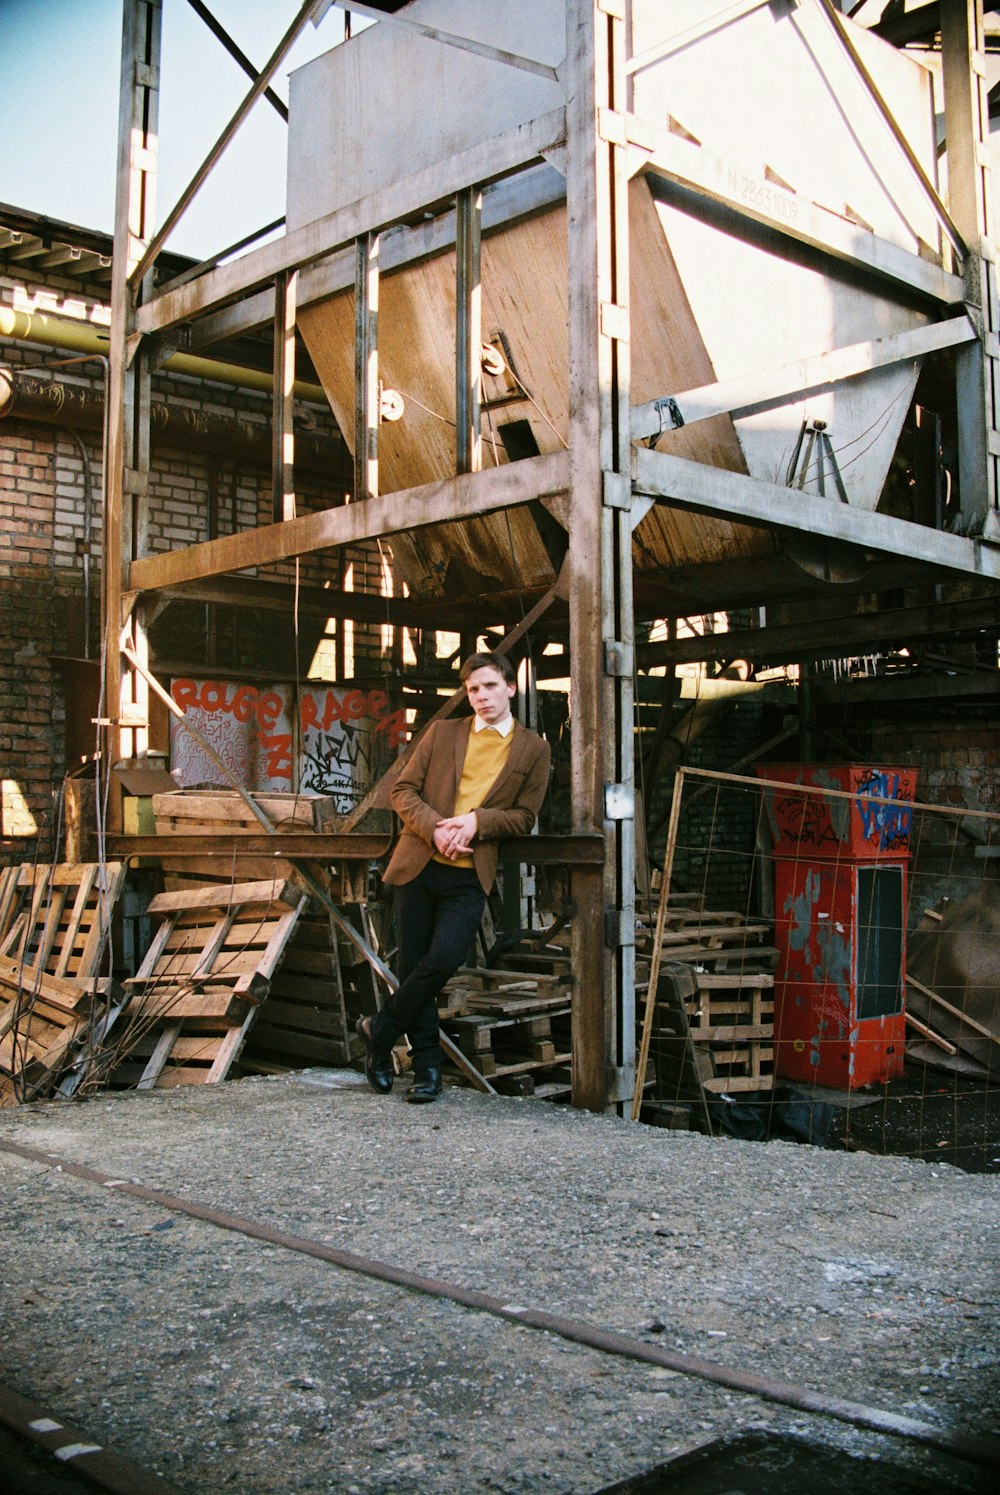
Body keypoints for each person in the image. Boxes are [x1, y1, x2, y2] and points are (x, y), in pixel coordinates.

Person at [356, 651, 550, 1103]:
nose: (481, 696)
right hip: (418, 866)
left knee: (443, 960)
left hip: (468, 875)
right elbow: (401, 791)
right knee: (412, 968)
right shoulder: (443, 733)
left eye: (489, 686)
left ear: (511, 688)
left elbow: (524, 816)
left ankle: (379, 1034)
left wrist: (477, 823)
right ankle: (427, 1069)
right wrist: (438, 828)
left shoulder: (533, 749)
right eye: (473, 689)